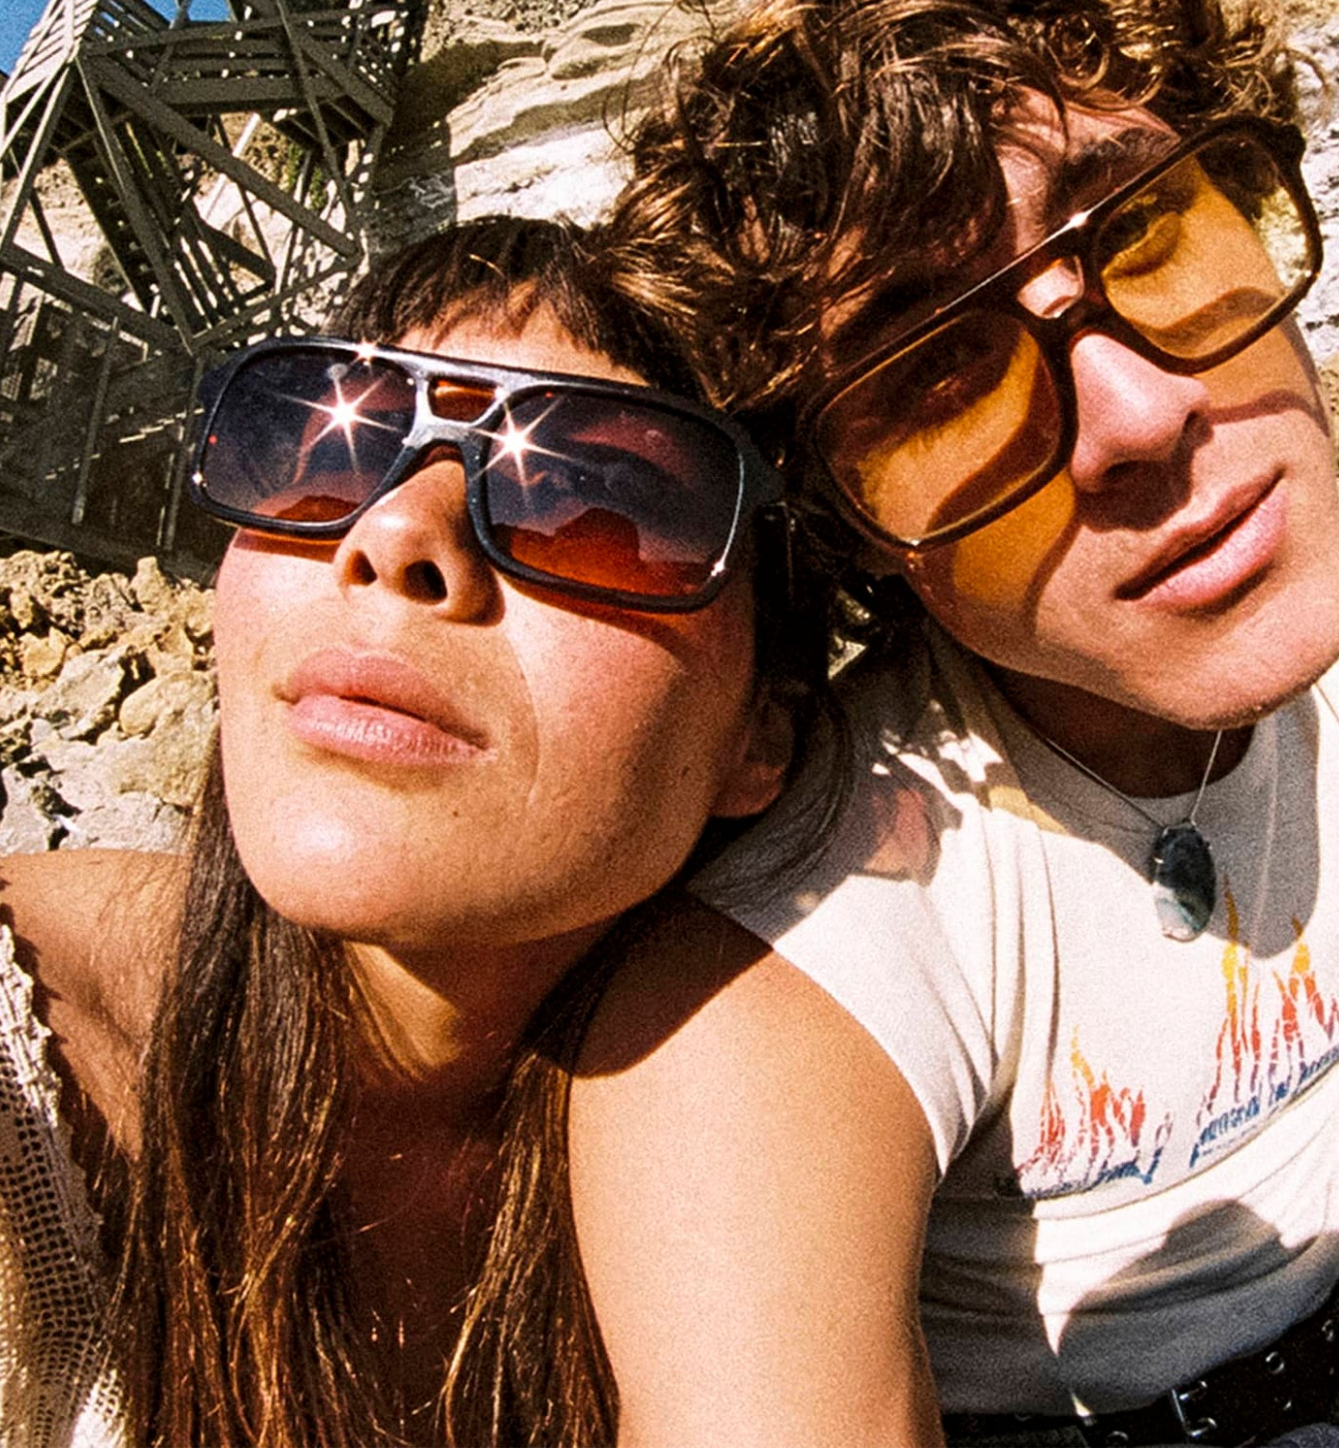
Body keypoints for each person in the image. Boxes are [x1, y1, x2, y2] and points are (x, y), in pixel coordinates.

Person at [569, 0, 1339, 1448]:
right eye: (935, 375)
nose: (1139, 414)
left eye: (1145, 227)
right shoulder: (801, 955)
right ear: (848, 525)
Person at [0, 213, 827, 1448]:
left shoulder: (821, 1163)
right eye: (330, 447)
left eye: (589, 499)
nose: (388, 534)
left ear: (762, 734)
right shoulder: (26, 1100)